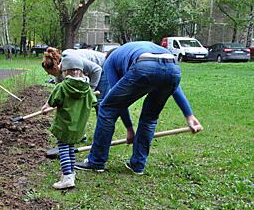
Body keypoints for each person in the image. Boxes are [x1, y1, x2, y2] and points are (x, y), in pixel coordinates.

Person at [75, 41, 203, 175]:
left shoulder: (110, 61)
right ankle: (138, 165)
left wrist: (129, 129)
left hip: (145, 65)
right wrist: (189, 115)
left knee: (107, 108)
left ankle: (96, 161)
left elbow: (118, 104)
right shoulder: (134, 50)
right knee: (150, 118)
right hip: (173, 68)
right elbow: (175, 87)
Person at [41, 53, 97, 189]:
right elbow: (93, 102)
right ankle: (71, 173)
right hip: (78, 127)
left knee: (63, 149)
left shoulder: (62, 87)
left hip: (64, 126)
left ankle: (67, 176)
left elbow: (52, 102)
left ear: (65, 71)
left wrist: (46, 107)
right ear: (81, 71)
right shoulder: (87, 88)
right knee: (70, 148)